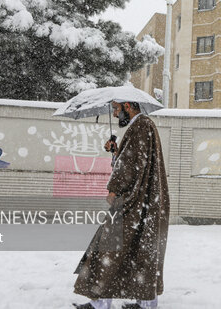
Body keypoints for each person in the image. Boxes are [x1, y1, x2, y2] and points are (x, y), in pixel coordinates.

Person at [73, 101, 170, 309]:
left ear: (128, 105)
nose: (115, 114)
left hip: (134, 201)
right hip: (144, 201)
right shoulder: (144, 125)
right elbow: (135, 161)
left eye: (116, 109)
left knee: (106, 248)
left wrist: (114, 189)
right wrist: (116, 151)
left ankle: (100, 303)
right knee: (142, 251)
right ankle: (146, 303)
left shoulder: (141, 126)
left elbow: (131, 164)